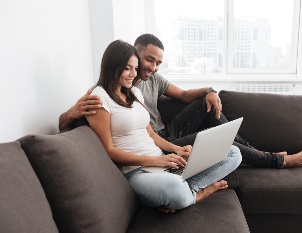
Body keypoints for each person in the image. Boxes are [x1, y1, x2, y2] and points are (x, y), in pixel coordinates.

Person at [59, 33, 302, 169]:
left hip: (164, 133)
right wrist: (70, 113)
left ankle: (263, 153)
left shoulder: (153, 81)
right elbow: (68, 123)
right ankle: (277, 161)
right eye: (148, 60)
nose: (152, 67)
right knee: (210, 136)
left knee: (205, 106)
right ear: (134, 54)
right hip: (156, 144)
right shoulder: (107, 90)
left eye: (158, 62)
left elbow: (183, 96)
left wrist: (209, 90)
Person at [86, 39, 242, 212]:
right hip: (136, 172)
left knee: (233, 153)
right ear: (112, 66)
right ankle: (197, 194)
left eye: (135, 68)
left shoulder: (135, 93)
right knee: (174, 187)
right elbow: (109, 151)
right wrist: (157, 160)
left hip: (162, 163)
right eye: (127, 68)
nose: (133, 74)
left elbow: (151, 134)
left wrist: (176, 150)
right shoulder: (99, 98)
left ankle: (180, 193)